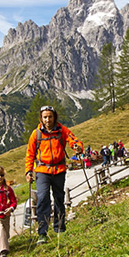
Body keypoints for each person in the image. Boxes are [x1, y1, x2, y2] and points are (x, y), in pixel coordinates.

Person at [25, 105, 83, 245]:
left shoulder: (62, 130)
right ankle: (42, 233)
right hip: (42, 171)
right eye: (45, 117)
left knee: (59, 198)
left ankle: (59, 228)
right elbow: (30, 154)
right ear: (41, 118)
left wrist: (77, 147)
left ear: (54, 117)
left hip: (59, 170)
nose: (47, 120)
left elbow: (72, 139)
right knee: (43, 198)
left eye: (50, 116)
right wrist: (28, 171)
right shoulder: (36, 134)